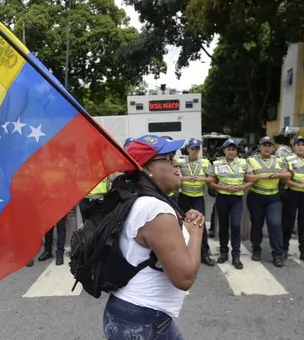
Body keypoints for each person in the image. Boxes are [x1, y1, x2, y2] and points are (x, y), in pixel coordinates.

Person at [102, 135, 204, 340]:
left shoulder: (136, 199)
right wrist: (195, 233)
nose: (177, 163)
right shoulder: (155, 210)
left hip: (134, 314)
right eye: (168, 158)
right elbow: (184, 278)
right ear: (147, 169)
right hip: (143, 319)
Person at [206, 138, 252, 269]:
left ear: (236, 151)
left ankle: (236, 255)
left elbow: (251, 179)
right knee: (224, 226)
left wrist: (243, 187)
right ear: (224, 150)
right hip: (222, 198)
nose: (231, 152)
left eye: (233, 149)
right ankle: (224, 252)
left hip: (237, 199)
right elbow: (210, 182)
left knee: (236, 226)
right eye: (228, 149)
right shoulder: (216, 163)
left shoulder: (243, 163)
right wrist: (222, 188)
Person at [245, 136, 290, 267]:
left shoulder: (279, 160)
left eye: (269, 145)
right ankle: (256, 249)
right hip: (256, 197)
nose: (267, 148)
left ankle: (277, 254)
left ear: (273, 148)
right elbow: (247, 176)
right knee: (257, 225)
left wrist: (278, 175)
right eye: (264, 145)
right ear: (260, 147)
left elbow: (288, 175)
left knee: (275, 225)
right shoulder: (251, 160)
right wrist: (262, 176)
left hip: (273, 198)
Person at [176, 138, 215, 266]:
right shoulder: (180, 161)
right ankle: (182, 252)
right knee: (181, 223)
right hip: (184, 196)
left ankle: (204, 253)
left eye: (197, 149)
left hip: (198, 196)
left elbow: (212, 179)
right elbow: (176, 177)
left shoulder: (205, 162)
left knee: (200, 224)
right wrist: (188, 178)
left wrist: (202, 178)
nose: (194, 151)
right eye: (192, 148)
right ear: (188, 149)